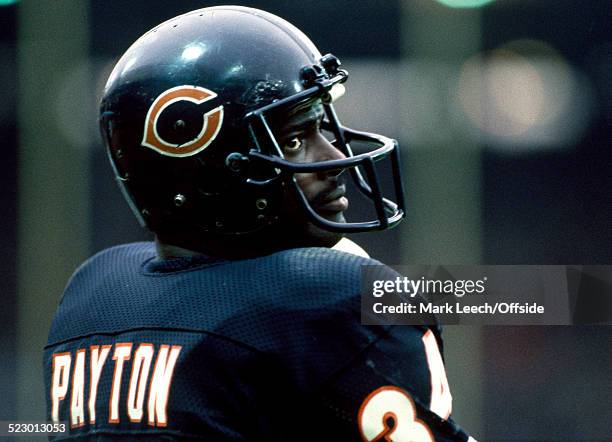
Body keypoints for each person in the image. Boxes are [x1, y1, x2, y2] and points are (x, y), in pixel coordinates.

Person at [44, 6, 475, 441]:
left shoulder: (93, 297)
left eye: (322, 128)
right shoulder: (324, 297)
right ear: (212, 176)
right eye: (294, 139)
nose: (332, 159)